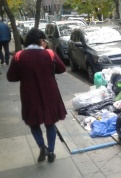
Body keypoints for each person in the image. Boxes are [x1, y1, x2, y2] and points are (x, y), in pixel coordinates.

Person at [7, 28, 67, 163]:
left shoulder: (19, 56)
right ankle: (51, 151)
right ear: (41, 41)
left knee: (33, 123)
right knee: (50, 123)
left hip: (29, 95)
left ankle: (42, 147)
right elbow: (62, 69)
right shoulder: (50, 54)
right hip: (49, 93)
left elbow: (11, 77)